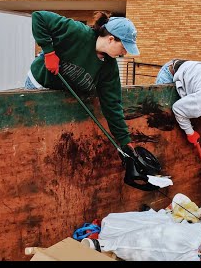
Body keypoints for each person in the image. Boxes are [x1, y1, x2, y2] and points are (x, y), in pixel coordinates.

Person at [25, 10, 140, 166]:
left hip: (63, 97)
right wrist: (49, 52)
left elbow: (112, 105)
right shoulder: (78, 33)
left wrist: (125, 141)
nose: (124, 52)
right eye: (124, 47)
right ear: (111, 39)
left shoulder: (109, 68)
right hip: (39, 85)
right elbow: (39, 17)